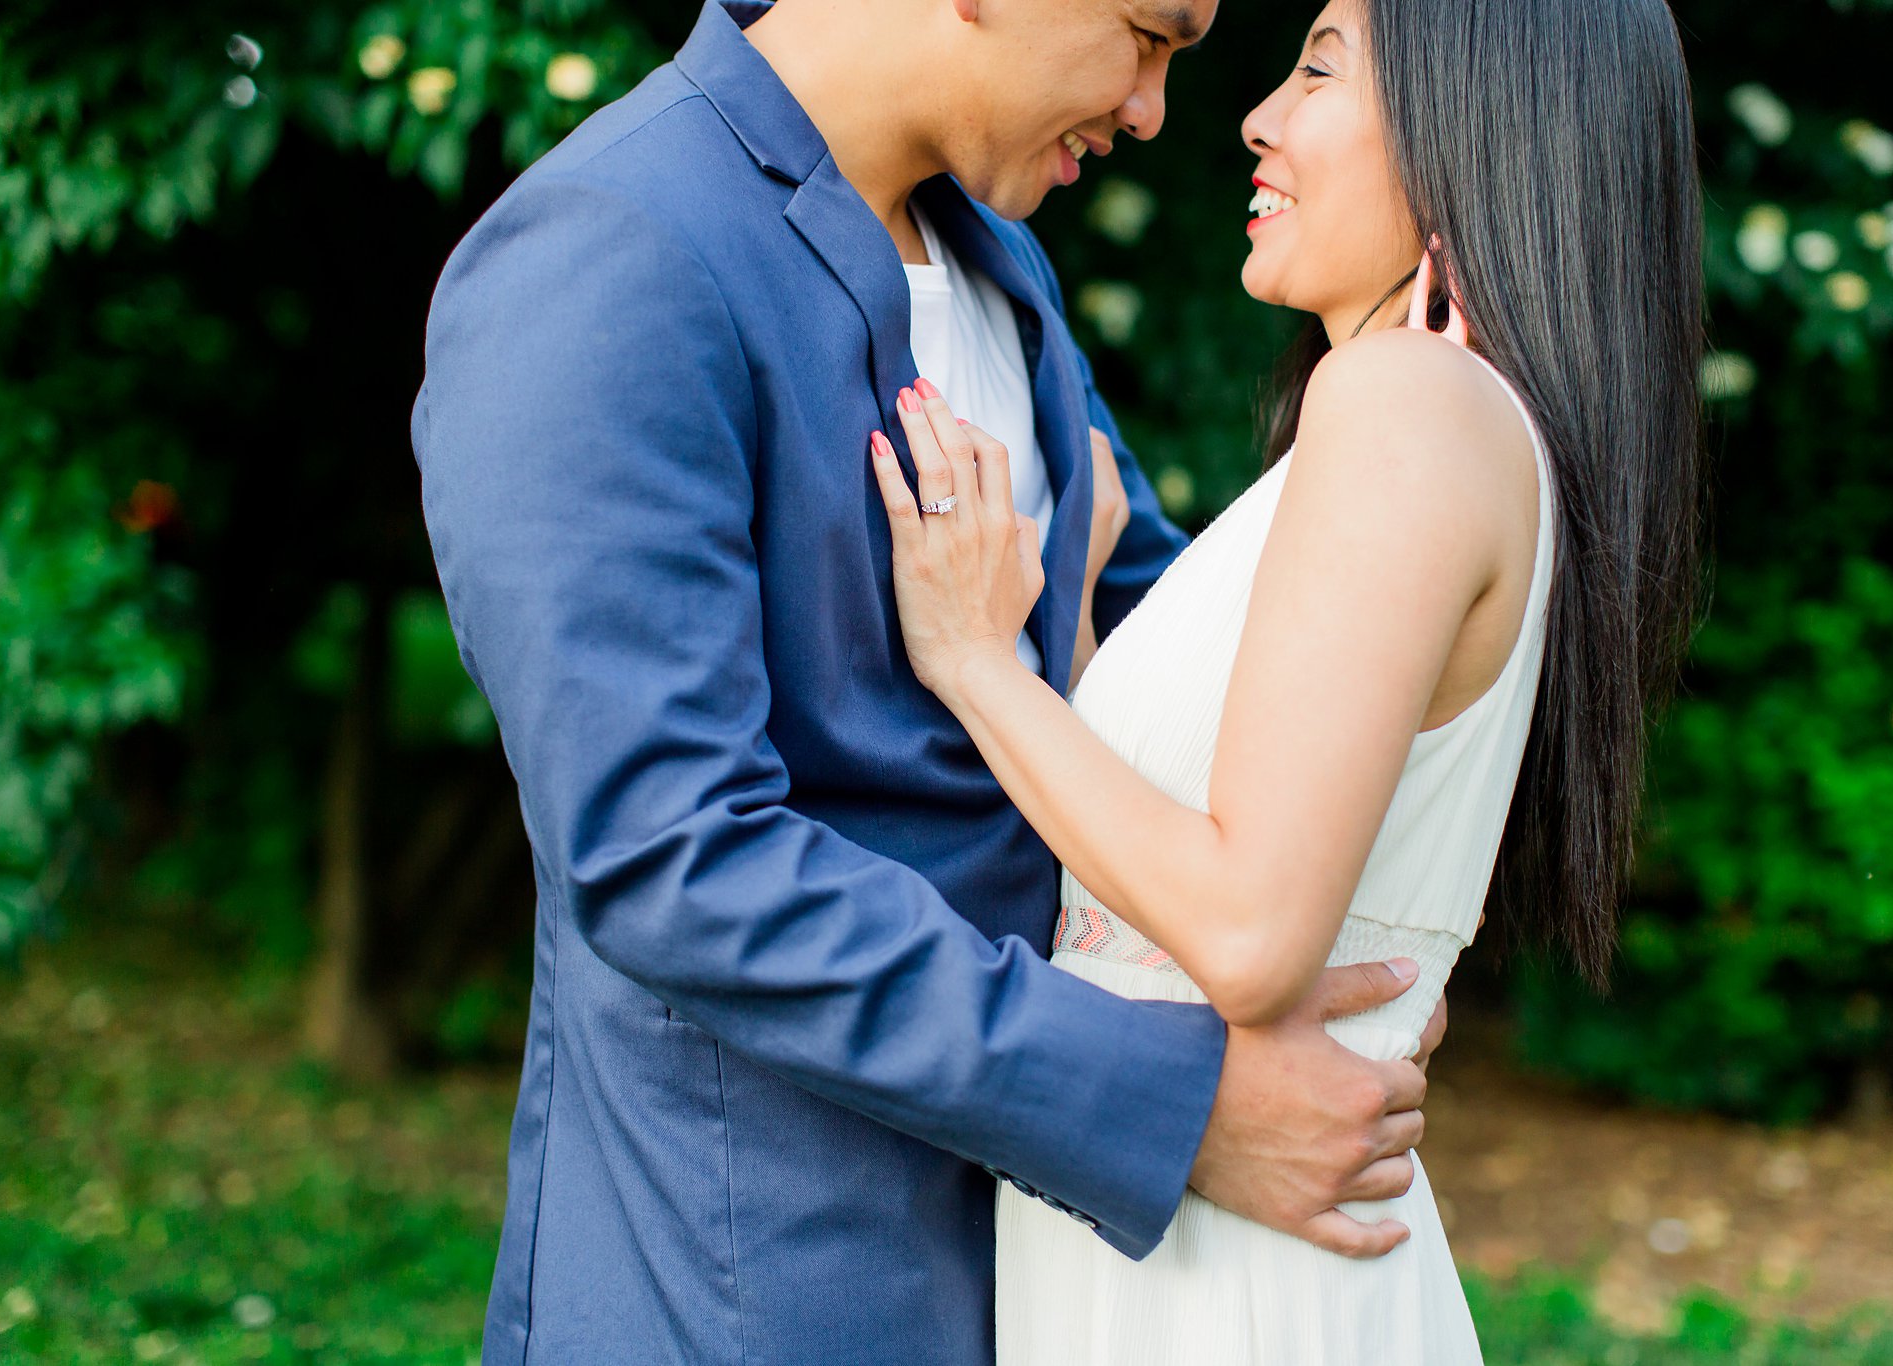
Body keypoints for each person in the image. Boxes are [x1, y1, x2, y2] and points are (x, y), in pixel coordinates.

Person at [410, 1, 1451, 1361]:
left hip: (1056, 1285)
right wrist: (1170, 1104)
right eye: (1150, 34)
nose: (1152, 109)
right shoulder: (615, 250)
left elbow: (1180, 648)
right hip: (757, 1290)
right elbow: (672, 858)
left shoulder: (994, 254)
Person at [868, 0, 1705, 1359]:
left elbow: (1252, 935)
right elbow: (1163, 861)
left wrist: (974, 664)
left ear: (1475, 128)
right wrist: (1070, 626)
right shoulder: (1423, 426)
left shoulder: (1406, 408)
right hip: (1190, 1234)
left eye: (1319, 68)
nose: (1255, 117)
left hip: (1233, 1270)